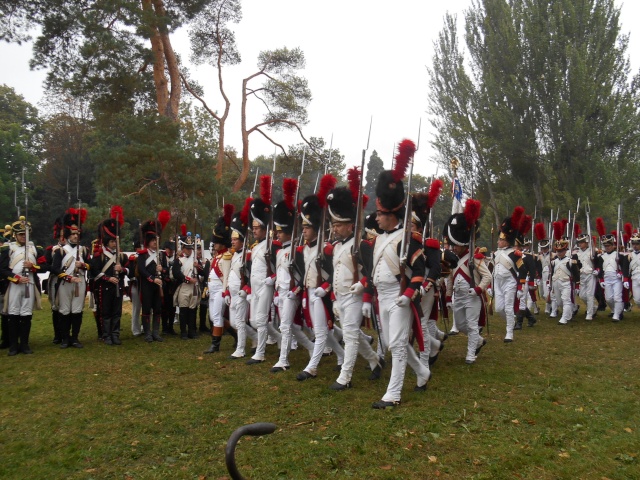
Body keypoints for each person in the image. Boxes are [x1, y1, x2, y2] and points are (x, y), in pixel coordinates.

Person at [364, 140, 431, 409]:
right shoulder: (379, 239)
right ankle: (422, 373)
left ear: (390, 214)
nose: (376, 218)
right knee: (393, 343)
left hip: (400, 296)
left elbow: (420, 269)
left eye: (379, 214)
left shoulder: (409, 238)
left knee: (399, 346)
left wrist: (408, 293)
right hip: (383, 296)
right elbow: (373, 271)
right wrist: (368, 296)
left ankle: (393, 394)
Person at [325, 178, 383, 390]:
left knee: (349, 336)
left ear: (350, 225)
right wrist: (333, 299)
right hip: (341, 296)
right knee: (353, 333)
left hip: (356, 296)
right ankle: (375, 360)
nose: (335, 229)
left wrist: (362, 285)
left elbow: (372, 271)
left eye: (338, 225)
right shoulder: (337, 246)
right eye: (333, 225)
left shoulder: (362, 245)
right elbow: (335, 274)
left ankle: (345, 377)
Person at [295, 188, 345, 381]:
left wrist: (325, 288)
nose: (304, 230)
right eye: (303, 227)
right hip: (309, 292)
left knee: (321, 331)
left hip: (323, 293)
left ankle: (312, 367)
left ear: (315, 228)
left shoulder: (327, 248)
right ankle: (341, 354)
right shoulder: (304, 250)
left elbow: (335, 273)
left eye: (307, 227)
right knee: (321, 329)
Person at [270, 179, 315, 373]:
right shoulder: (280, 251)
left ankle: (284, 360)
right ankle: (313, 349)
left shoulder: (297, 251)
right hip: (281, 291)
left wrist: (295, 291)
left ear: (289, 232)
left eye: (281, 232)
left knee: (286, 326)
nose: (277, 235)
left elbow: (303, 275)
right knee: (293, 327)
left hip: (292, 291)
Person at [443, 202, 491, 364]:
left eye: (455, 245)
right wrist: (448, 297)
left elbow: (487, 277)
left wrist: (478, 289)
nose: (453, 248)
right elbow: (450, 278)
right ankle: (478, 340)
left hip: (472, 297)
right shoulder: (454, 259)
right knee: (461, 325)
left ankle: (471, 354)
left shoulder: (475, 258)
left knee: (471, 325)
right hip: (459, 296)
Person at [246, 181, 282, 365]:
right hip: (255, 286)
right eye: (253, 228)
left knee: (260, 319)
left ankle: (260, 353)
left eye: (257, 228)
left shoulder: (273, 245)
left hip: (266, 285)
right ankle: (280, 339)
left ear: (265, 228)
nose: (254, 231)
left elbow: (281, 268)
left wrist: (272, 279)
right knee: (254, 320)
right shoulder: (255, 247)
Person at [0, 216, 47, 355]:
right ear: (15, 235)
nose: (23, 237)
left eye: (25, 234)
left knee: (26, 314)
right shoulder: (8, 249)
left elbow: (44, 267)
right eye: (20, 234)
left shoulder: (35, 249)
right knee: (13, 313)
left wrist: (33, 267)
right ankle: (14, 346)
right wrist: (15, 278)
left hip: (30, 284)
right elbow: (2, 269)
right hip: (14, 285)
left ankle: (25, 344)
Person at [52, 208, 90, 349]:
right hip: (65, 284)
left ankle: (75, 338)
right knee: (64, 311)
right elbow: (55, 269)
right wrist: (68, 278)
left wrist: (84, 265)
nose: (75, 236)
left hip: (79, 283)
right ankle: (65, 338)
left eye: (77, 233)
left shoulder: (84, 250)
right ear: (68, 235)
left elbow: (91, 266)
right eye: (73, 233)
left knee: (77, 311)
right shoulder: (61, 251)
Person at [226, 201, 258, 359]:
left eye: (235, 239)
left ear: (242, 240)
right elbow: (231, 273)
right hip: (232, 293)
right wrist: (226, 291)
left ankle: (241, 349)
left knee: (239, 321)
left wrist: (246, 291)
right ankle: (257, 338)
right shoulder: (235, 254)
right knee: (234, 323)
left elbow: (250, 275)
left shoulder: (248, 255)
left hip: (241, 292)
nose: (232, 241)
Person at [90, 217, 130, 345]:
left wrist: (122, 269)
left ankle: (115, 334)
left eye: (115, 242)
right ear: (107, 242)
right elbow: (93, 272)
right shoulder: (99, 256)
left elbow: (129, 270)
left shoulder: (121, 256)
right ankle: (106, 335)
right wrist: (107, 278)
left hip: (118, 287)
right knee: (106, 313)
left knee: (117, 312)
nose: (114, 244)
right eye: (112, 241)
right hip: (104, 288)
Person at [492, 207, 528, 342]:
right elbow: (493, 271)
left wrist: (520, 287)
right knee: (498, 308)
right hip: (498, 283)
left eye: (500, 240)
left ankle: (509, 333)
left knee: (507, 307)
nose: (498, 242)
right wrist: (491, 285)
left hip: (510, 282)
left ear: (506, 240)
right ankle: (511, 321)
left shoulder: (514, 253)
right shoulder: (495, 254)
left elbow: (522, 270)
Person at [204, 205, 234, 354]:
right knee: (215, 316)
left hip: (220, 291)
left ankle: (215, 345)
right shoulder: (216, 257)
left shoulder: (226, 256)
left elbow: (226, 276)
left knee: (216, 316)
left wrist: (225, 291)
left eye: (216, 242)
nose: (214, 244)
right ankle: (235, 335)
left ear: (222, 242)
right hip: (212, 290)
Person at [136, 213, 171, 342]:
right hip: (147, 284)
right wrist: (152, 278)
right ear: (148, 241)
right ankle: (147, 333)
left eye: (156, 240)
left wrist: (163, 269)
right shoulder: (143, 255)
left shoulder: (161, 255)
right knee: (146, 309)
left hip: (158, 285)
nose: (155, 243)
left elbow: (167, 270)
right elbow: (141, 270)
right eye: (152, 241)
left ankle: (156, 332)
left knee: (157, 308)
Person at [172, 227, 202, 339]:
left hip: (194, 287)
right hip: (184, 286)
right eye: (187, 248)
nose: (189, 250)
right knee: (183, 310)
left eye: (191, 248)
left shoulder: (195, 259)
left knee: (192, 310)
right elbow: (176, 274)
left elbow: (202, 271)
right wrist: (188, 280)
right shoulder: (179, 260)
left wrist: (198, 266)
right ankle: (183, 332)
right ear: (183, 248)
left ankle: (192, 331)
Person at [550, 226, 581, 325]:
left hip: (566, 282)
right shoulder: (553, 262)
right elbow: (552, 274)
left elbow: (576, 273)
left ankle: (565, 317)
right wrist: (550, 284)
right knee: (559, 302)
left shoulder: (570, 261)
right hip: (556, 282)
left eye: (561, 251)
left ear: (565, 250)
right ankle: (569, 312)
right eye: (558, 251)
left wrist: (577, 285)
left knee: (566, 300)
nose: (559, 253)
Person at [595, 227, 626, 322]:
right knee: (608, 298)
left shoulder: (619, 255)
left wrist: (621, 273)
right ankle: (615, 310)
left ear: (613, 245)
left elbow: (624, 267)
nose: (607, 247)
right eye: (605, 246)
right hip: (607, 279)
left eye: (609, 245)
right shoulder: (601, 256)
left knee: (617, 297)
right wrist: (601, 279)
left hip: (616, 279)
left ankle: (617, 315)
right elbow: (600, 269)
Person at [45, 217, 65, 344]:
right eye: (61, 236)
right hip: (55, 279)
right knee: (55, 308)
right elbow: (46, 265)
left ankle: (65, 334)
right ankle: (57, 335)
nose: (62, 238)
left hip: (67, 281)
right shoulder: (50, 250)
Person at [575, 232, 598, 320]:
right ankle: (593, 307)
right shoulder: (577, 252)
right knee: (582, 295)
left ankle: (589, 314)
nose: (580, 244)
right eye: (579, 242)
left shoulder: (593, 251)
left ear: (587, 242)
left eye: (582, 242)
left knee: (589, 294)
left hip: (590, 274)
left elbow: (597, 262)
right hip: (581, 275)